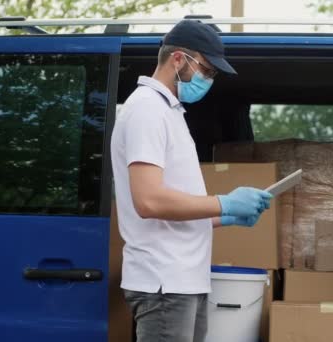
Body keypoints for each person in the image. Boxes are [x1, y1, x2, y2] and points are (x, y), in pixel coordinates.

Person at [110, 20, 273, 342]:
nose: (209, 79)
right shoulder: (147, 110)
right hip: (164, 282)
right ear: (179, 59)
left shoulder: (169, 111)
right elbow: (150, 201)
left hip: (183, 281)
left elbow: (173, 209)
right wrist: (224, 201)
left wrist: (225, 216)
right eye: (207, 70)